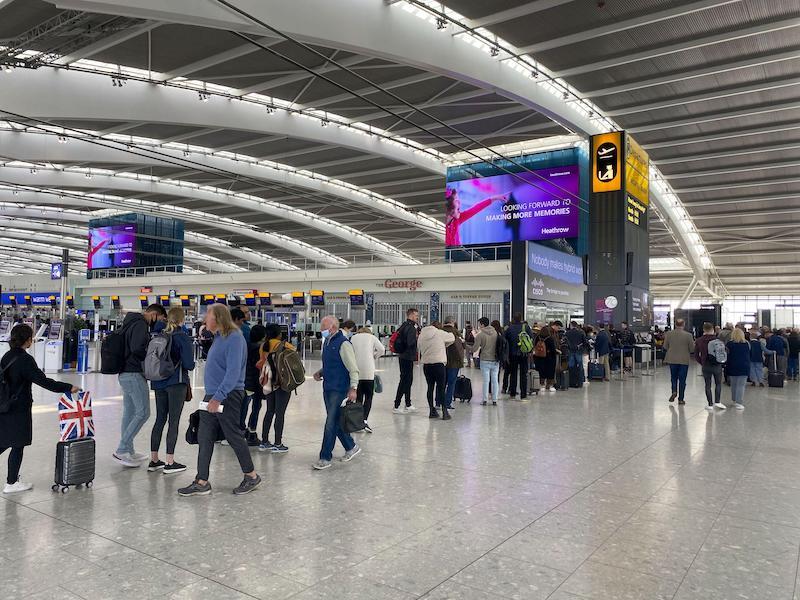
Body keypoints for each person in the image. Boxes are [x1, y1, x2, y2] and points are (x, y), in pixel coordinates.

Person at [178, 304, 261, 496]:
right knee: (204, 435)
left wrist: (219, 397)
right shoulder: (218, 337)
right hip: (212, 396)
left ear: (218, 318)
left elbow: (233, 373)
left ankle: (251, 475)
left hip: (228, 395)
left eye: (207, 316)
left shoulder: (235, 338)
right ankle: (201, 480)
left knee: (233, 435)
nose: (204, 319)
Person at [0, 325, 77, 493]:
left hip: (4, 405)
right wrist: (67, 386)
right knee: (17, 443)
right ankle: (11, 483)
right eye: (31, 338)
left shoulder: (7, 356)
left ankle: (12, 481)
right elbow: (44, 382)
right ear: (27, 340)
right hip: (18, 407)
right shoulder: (25, 360)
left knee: (5, 440)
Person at [113, 304, 165, 468]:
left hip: (124, 373)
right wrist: (149, 356)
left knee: (129, 413)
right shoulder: (141, 324)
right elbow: (137, 348)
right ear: (154, 314)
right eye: (161, 319)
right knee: (143, 412)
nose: (160, 323)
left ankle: (128, 450)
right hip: (134, 373)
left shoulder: (129, 323)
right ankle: (122, 449)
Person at [148, 307, 196, 474]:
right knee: (173, 421)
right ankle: (169, 462)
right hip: (176, 382)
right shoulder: (181, 336)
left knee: (160, 419)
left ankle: (154, 460)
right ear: (182, 320)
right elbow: (189, 364)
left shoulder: (159, 335)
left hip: (158, 381)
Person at [312, 315, 361, 470]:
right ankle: (351, 446)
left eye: (323, 329)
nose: (322, 332)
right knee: (337, 421)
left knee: (330, 423)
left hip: (339, 389)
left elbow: (353, 368)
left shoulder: (343, 343)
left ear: (332, 327)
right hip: (328, 387)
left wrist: (353, 388)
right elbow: (331, 363)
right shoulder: (327, 341)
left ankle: (325, 457)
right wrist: (321, 372)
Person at [258, 324, 294, 453]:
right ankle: (278, 443)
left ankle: (264, 441)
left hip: (268, 382)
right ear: (279, 334)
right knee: (280, 413)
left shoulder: (264, 346)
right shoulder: (286, 346)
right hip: (282, 382)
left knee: (269, 411)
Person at [444, 188, 509, 247]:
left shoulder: (457, 219)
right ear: (449, 207)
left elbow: (477, 208)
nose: (460, 203)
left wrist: (495, 198)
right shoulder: (444, 228)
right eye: (456, 201)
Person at [417, 320, 455, 419]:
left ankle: (431, 411)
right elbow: (452, 337)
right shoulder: (439, 333)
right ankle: (444, 411)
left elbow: (418, 347)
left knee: (430, 387)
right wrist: (445, 344)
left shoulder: (422, 335)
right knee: (441, 388)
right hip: (439, 364)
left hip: (427, 365)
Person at [350, 326, 384, 433]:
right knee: (369, 397)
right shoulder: (372, 337)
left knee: (358, 398)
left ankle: (358, 422)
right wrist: (374, 356)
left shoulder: (353, 338)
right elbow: (382, 349)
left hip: (357, 370)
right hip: (369, 371)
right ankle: (364, 420)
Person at [244, 324, 267, 447]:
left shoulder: (246, 346)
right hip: (256, 382)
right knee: (256, 407)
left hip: (246, 381)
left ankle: (245, 429)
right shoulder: (260, 349)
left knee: (245, 406)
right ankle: (252, 431)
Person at [393, 308, 420, 415]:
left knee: (408, 380)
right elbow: (410, 343)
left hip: (403, 356)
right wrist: (416, 338)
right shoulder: (411, 328)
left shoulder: (403, 326)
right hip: (407, 357)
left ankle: (408, 403)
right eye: (416, 315)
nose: (417, 317)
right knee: (405, 380)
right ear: (412, 315)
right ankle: (397, 405)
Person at [694, 322, 726, 412]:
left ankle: (710, 404)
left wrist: (702, 362)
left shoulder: (699, 340)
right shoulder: (718, 339)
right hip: (717, 365)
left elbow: (696, 355)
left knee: (707, 385)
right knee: (718, 383)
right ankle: (718, 401)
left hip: (706, 365)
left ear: (704, 330)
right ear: (713, 329)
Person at [663, 318, 695, 405]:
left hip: (672, 359)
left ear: (675, 324)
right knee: (682, 380)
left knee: (673, 377)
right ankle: (681, 399)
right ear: (683, 324)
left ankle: (674, 391)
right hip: (684, 360)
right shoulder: (688, 335)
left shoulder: (669, 334)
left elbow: (665, 346)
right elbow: (692, 349)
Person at [472, 317, 500, 405]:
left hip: (484, 360)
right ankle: (495, 400)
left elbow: (475, 348)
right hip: (495, 360)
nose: (479, 326)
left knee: (485, 381)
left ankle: (485, 400)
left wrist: (469, 348)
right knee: (495, 380)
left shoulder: (480, 335)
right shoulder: (496, 333)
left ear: (483, 324)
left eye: (479, 324)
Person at [504, 313, 533, 399]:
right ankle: (523, 394)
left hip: (512, 354)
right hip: (524, 354)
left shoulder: (509, 328)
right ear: (521, 319)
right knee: (523, 374)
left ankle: (512, 392)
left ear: (513, 318)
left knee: (513, 374)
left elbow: (505, 340)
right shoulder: (526, 327)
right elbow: (531, 339)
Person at [442, 317, 464, 409]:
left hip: (442, 360)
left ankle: (438, 402)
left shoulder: (440, 331)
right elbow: (462, 345)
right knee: (451, 383)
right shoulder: (456, 332)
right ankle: (447, 403)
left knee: (441, 383)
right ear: (453, 322)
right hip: (454, 362)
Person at [726, 327, 750, 411]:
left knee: (734, 384)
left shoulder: (729, 344)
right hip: (744, 366)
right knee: (741, 385)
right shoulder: (746, 343)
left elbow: (727, 355)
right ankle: (739, 402)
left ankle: (734, 399)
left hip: (732, 365)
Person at [533, 325, 558, 392]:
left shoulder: (537, 338)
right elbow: (553, 349)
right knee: (550, 371)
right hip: (549, 358)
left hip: (539, 357)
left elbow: (535, 346)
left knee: (541, 371)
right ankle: (549, 385)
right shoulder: (550, 338)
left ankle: (541, 385)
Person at [565, 320, 587, 386]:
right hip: (578, 351)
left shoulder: (567, 333)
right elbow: (584, 343)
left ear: (571, 325)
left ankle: (571, 382)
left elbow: (565, 343)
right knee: (580, 367)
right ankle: (580, 382)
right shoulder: (580, 333)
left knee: (571, 367)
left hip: (570, 351)